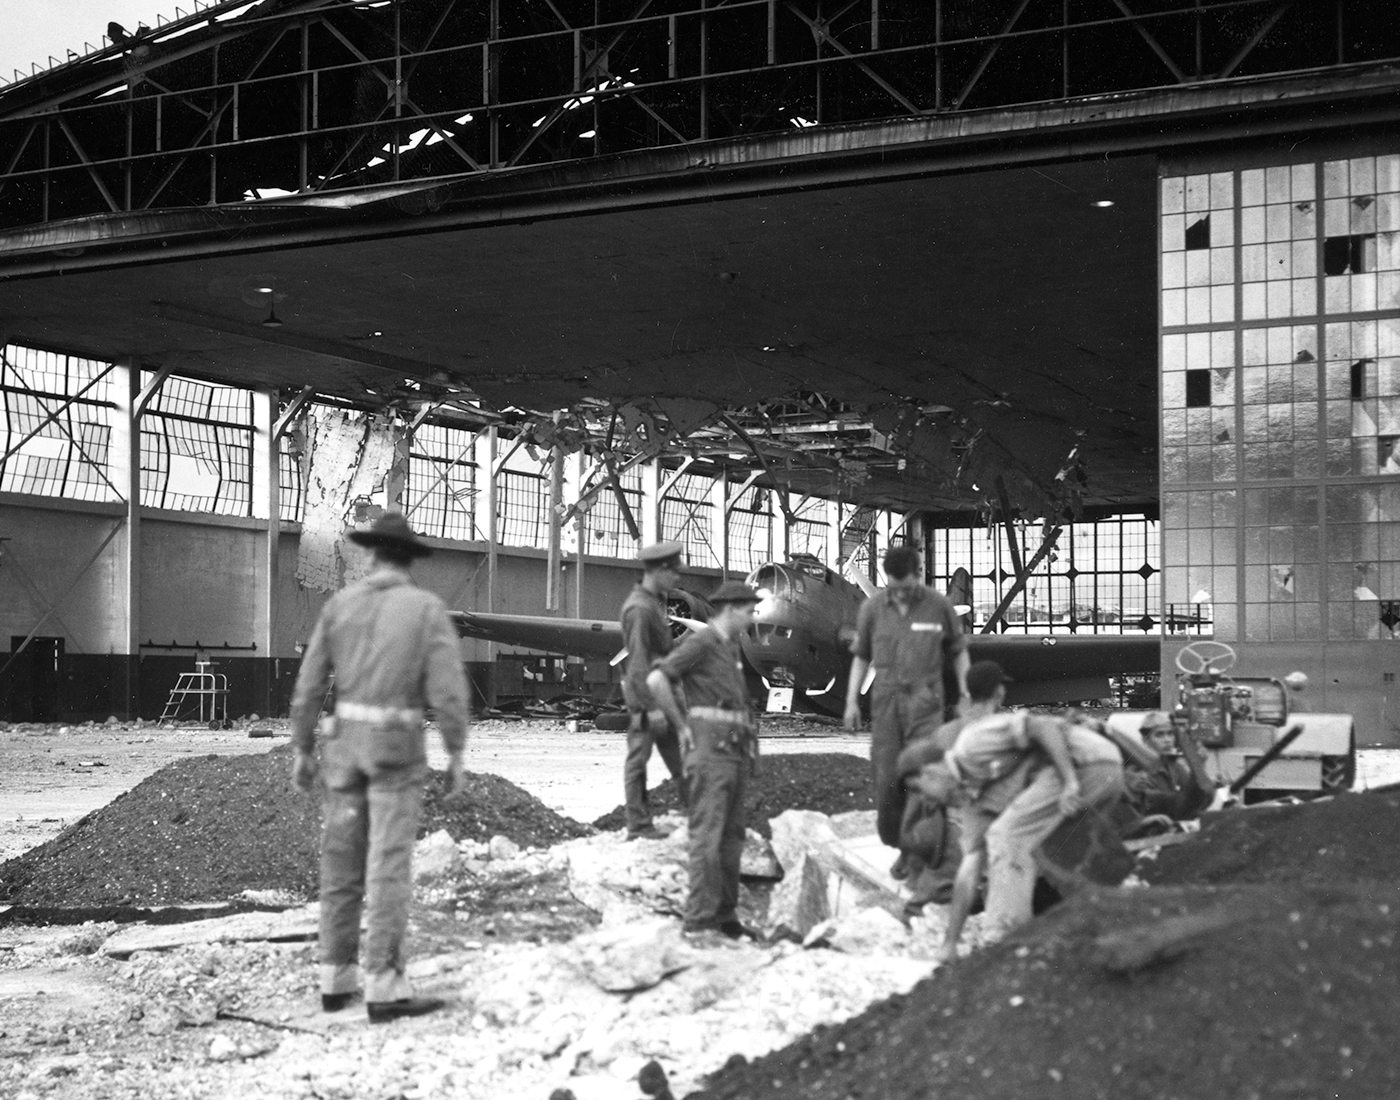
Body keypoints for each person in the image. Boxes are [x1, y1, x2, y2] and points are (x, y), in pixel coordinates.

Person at [288, 511, 470, 1023]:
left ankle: (335, 979)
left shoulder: (339, 605)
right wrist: (456, 752)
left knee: (340, 864)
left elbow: (308, 687)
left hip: (343, 750)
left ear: (369, 554)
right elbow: (448, 692)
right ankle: (385, 988)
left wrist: (302, 749)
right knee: (387, 865)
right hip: (395, 752)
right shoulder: (424, 609)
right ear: (411, 560)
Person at [928, 710, 1125, 961]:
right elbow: (970, 870)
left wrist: (1070, 782)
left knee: (1007, 837)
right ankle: (1103, 923)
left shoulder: (976, 747)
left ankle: (1004, 943)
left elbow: (1042, 727)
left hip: (1086, 764)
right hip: (1103, 767)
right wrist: (950, 942)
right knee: (1053, 852)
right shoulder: (981, 795)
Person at [843, 544, 970, 870]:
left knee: (924, 776)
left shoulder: (938, 606)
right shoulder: (872, 609)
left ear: (918, 575)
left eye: (906, 588)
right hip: (886, 703)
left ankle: (921, 853)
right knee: (887, 777)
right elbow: (860, 656)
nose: (899, 596)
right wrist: (850, 701)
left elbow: (958, 651)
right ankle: (898, 843)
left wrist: (967, 691)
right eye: (894, 588)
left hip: (926, 702)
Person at [647, 580, 762, 939]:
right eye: (748, 610)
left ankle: (726, 917)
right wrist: (681, 726)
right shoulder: (703, 642)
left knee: (732, 839)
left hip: (734, 751)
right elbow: (657, 680)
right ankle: (698, 920)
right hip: (710, 752)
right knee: (707, 839)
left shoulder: (729, 648)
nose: (751, 617)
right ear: (730, 609)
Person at [893, 660, 1012, 910]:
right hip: (993, 829)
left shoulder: (945, 733)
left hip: (950, 833)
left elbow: (923, 797)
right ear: (999, 692)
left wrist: (907, 851)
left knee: (929, 898)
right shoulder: (1005, 732)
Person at [620, 540, 689, 840]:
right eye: (673, 572)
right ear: (659, 571)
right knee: (638, 761)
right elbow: (637, 662)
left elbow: (659, 652)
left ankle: (699, 817)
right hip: (650, 703)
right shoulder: (639, 609)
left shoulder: (650, 604)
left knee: (685, 762)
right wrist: (650, 708)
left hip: (664, 699)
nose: (677, 578)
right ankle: (637, 824)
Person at [1124, 711, 1216, 827]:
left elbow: (1195, 801)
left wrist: (1200, 770)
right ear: (1145, 740)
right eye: (1159, 735)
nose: (1167, 740)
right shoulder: (1140, 770)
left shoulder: (1174, 766)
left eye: (1170, 734)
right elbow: (1174, 805)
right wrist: (1196, 768)